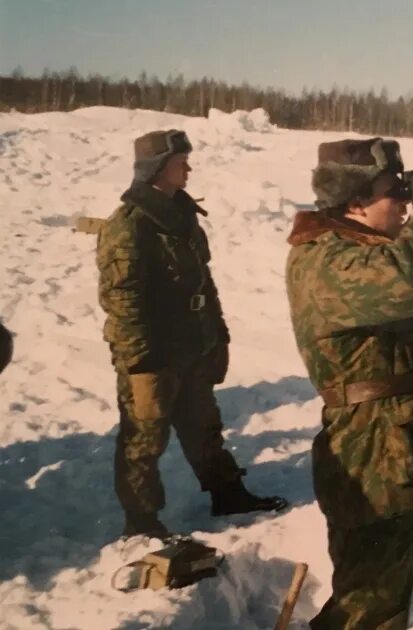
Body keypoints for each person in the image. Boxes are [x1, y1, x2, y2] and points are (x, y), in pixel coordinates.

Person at [285, 137, 413, 629]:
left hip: (406, 448)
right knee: (369, 607)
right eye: (396, 191)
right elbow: (407, 279)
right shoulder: (325, 261)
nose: (406, 201)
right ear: (354, 202)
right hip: (373, 458)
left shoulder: (364, 250)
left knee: (383, 592)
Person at [96, 130, 287, 540]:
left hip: (192, 346)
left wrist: (217, 335)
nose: (189, 168)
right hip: (153, 353)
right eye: (181, 161)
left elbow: (203, 282)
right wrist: (140, 361)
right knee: (143, 440)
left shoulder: (180, 213)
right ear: (158, 168)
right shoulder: (129, 226)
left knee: (204, 424)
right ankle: (142, 522)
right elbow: (121, 298)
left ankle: (228, 494)